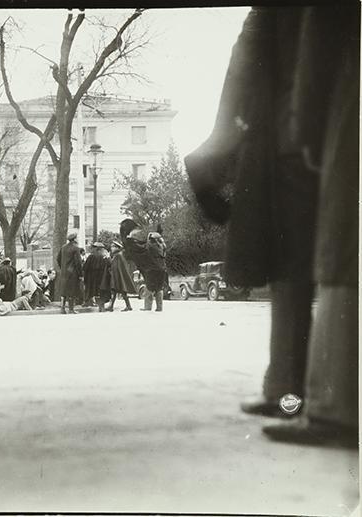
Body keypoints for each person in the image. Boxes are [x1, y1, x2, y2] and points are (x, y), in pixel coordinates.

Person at [184, 6, 358, 447]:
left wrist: (216, 154)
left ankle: (320, 400)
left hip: (301, 128)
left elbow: (247, 60)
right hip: (319, 118)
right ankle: (292, 393)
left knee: (310, 261)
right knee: (321, 254)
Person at [56, 232, 83, 314]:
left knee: (64, 291)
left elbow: (58, 258)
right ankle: (71, 309)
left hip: (64, 272)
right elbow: (78, 262)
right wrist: (80, 274)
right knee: (72, 291)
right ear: (74, 239)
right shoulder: (76, 248)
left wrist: (63, 267)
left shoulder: (63, 247)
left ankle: (62, 308)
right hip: (72, 273)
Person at [104, 241, 135, 312]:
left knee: (120, 292)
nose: (111, 248)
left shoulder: (118, 255)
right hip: (117, 277)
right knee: (115, 292)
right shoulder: (118, 255)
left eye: (113, 246)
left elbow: (113, 265)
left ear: (116, 247)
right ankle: (112, 306)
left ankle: (127, 306)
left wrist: (108, 258)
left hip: (118, 277)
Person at [143, 232, 167, 312]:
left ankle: (147, 307)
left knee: (149, 288)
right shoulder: (162, 246)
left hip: (152, 270)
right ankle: (159, 307)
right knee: (159, 288)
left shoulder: (149, 246)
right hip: (162, 269)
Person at [83, 242, 109, 307]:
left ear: (96, 248)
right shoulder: (104, 257)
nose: (92, 249)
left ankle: (88, 302)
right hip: (100, 277)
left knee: (89, 289)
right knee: (98, 290)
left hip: (90, 277)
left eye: (94, 247)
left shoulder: (91, 256)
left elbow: (85, 267)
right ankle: (99, 303)